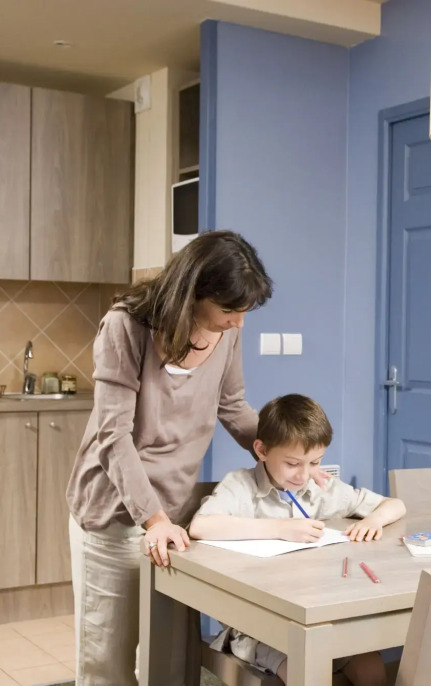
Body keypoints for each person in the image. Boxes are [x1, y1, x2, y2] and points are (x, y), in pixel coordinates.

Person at [66, 230, 274, 685]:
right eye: (230, 309)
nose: (239, 322)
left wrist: (280, 455)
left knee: (171, 661)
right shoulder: (126, 326)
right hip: (116, 514)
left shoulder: (226, 334)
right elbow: (113, 435)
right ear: (194, 292)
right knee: (108, 665)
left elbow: (233, 406)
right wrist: (153, 519)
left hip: (175, 519)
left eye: (244, 311)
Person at [189, 394, 407, 686]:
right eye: (292, 463)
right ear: (262, 450)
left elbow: (395, 505)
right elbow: (200, 526)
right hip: (258, 627)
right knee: (306, 673)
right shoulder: (241, 485)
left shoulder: (319, 488)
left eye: (315, 462)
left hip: (321, 619)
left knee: (372, 669)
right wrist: (280, 528)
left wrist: (373, 520)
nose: (304, 475)